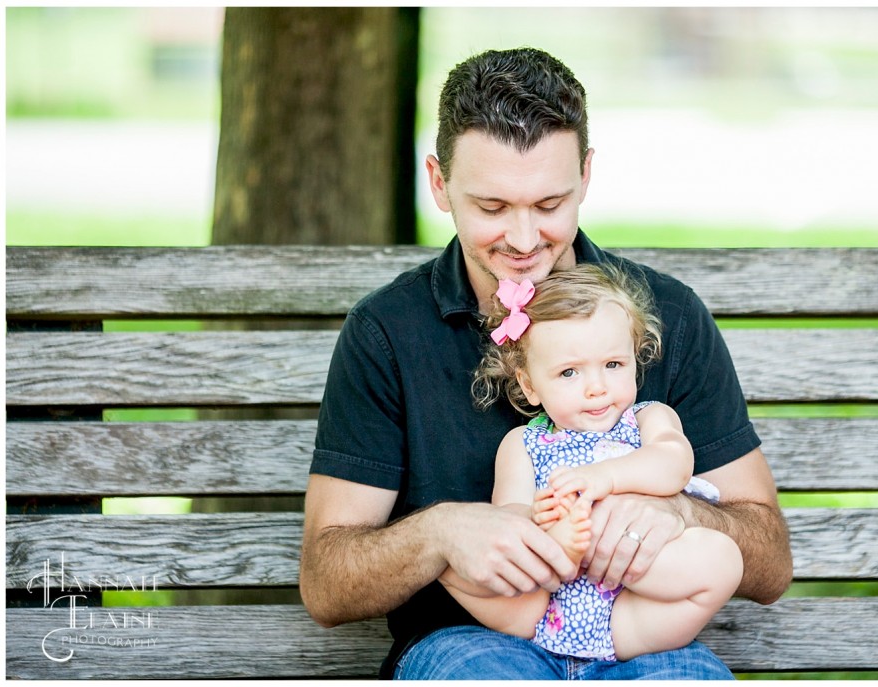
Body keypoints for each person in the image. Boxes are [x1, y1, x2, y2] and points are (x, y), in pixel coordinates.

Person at [300, 46, 792, 680]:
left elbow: (770, 561)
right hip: (471, 643)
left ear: (586, 176)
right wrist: (440, 533)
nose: (526, 241)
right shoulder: (387, 332)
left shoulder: (668, 314)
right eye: (493, 208)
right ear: (440, 183)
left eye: (550, 204)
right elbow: (326, 583)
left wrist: (677, 512)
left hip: (644, 640)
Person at [439, 264, 744, 662]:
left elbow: (674, 463)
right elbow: (507, 514)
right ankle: (564, 555)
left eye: (613, 365)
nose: (597, 387)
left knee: (724, 560)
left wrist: (605, 477)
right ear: (529, 384)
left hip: (631, 611)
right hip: (540, 608)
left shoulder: (649, 418)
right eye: (569, 372)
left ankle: (582, 565)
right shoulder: (523, 443)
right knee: (448, 565)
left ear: (635, 359)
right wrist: (542, 521)